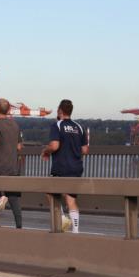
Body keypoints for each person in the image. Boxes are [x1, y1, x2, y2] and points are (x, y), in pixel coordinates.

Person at [41, 99, 88, 233]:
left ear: (60, 110)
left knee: (49, 191)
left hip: (61, 166)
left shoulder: (57, 125)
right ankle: (76, 230)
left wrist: (46, 151)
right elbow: (85, 150)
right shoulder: (79, 127)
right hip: (76, 167)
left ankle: (62, 218)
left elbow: (54, 145)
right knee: (70, 199)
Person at [0, 99, 23, 228]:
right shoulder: (15, 124)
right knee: (14, 198)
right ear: (9, 110)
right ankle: (19, 227)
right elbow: (19, 146)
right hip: (13, 167)